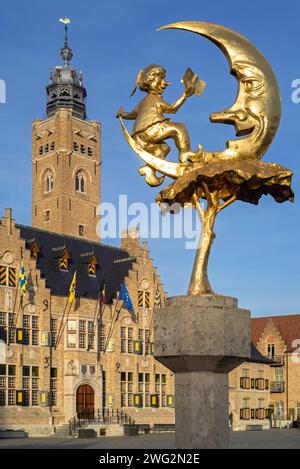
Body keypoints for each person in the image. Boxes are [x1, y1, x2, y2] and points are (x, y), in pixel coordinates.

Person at [117, 64, 203, 184]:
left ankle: (150, 168)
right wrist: (185, 96)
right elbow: (172, 108)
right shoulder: (155, 99)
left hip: (139, 138)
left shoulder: (143, 102)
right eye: (161, 79)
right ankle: (186, 154)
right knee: (179, 128)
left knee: (163, 148)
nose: (164, 83)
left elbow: (131, 114)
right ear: (151, 80)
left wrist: (122, 113)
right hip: (149, 129)